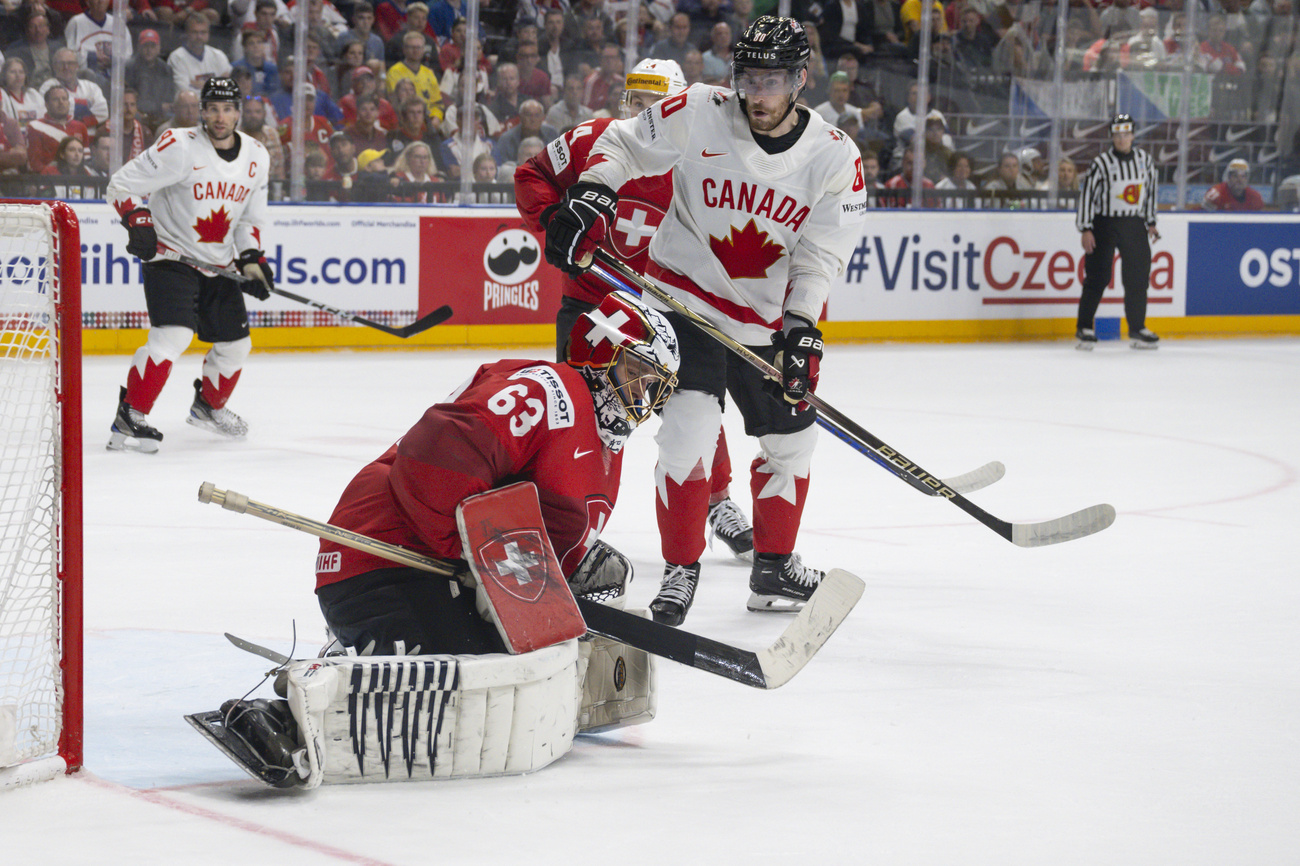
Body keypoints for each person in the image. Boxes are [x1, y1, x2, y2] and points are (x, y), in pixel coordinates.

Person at [541, 17, 867, 624]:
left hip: (768, 321)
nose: (758, 93)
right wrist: (593, 193)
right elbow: (621, 144)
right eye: (748, 76)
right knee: (687, 432)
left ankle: (773, 568)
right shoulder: (699, 109)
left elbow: (821, 253)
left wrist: (801, 326)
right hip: (681, 301)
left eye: (772, 79)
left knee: (793, 439)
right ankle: (680, 570)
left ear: (800, 79)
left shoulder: (834, 156)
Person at [314, 290, 679, 656]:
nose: (639, 395)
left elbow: (524, 515)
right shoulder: (551, 392)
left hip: (423, 571)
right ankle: (302, 699)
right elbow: (440, 456)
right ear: (600, 351)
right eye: (635, 372)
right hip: (384, 560)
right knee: (473, 685)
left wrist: (566, 563)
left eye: (649, 384)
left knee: (533, 679)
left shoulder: (600, 437)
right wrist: (476, 560)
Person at [516, 57, 756, 593]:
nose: (643, 113)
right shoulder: (597, 139)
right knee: (582, 422)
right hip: (592, 310)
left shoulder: (700, 160)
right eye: (635, 101)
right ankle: (570, 525)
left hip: (667, 309)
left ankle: (716, 502)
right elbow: (532, 175)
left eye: (655, 103)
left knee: (697, 405)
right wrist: (556, 224)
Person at [104, 77, 273, 453]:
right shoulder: (179, 145)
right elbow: (121, 184)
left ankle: (209, 408)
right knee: (174, 335)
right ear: (202, 111)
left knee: (236, 346)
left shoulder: (257, 156)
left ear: (238, 112)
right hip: (171, 257)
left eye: (228, 109)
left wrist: (251, 260)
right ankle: (130, 414)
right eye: (212, 108)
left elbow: (250, 219)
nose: (220, 116)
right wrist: (139, 221)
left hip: (218, 263)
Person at [1075, 113, 1160, 351]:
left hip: (1134, 223)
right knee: (1098, 276)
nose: (1122, 139)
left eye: (1126, 134)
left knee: (1137, 278)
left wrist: (1151, 221)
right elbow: (1087, 196)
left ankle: (1137, 328)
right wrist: (1086, 228)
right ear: (1112, 137)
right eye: (1117, 135)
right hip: (1105, 223)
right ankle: (1084, 327)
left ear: (1133, 135)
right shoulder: (1101, 163)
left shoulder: (1145, 160)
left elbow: (1151, 192)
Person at [27, 84, 89, 172]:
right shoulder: (35, 127)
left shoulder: (80, 126)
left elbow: (86, 160)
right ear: (47, 105)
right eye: (55, 99)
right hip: (50, 180)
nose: (61, 102)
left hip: (77, 180)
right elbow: (34, 163)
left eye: (64, 99)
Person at [124, 29, 176, 125]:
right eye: (145, 46)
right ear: (139, 47)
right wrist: (159, 107)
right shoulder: (129, 68)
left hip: (161, 115)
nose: (149, 50)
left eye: (153, 46)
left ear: (159, 48)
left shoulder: (166, 69)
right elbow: (130, 100)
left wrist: (162, 107)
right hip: (137, 114)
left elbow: (169, 98)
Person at [1, 56, 44, 131]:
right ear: (4, 76)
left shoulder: (33, 94)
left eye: (21, 72)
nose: (18, 76)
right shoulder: (2, 95)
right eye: (13, 72)